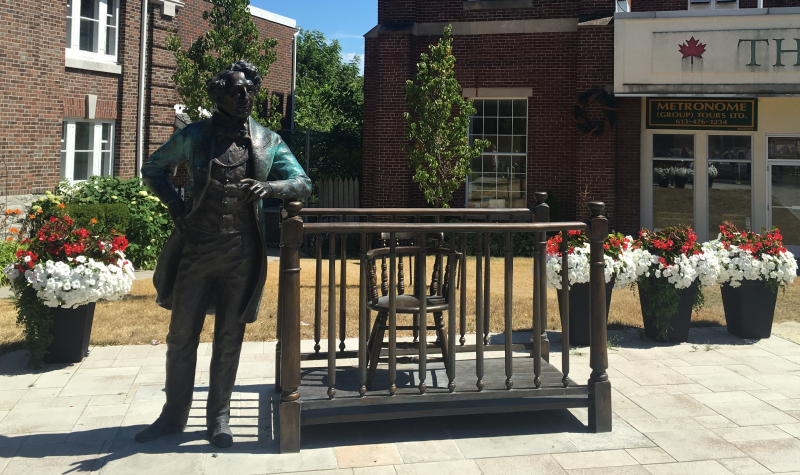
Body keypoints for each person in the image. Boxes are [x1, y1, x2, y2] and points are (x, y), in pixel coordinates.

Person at [135, 60, 311, 448]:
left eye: (250, 90)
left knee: (229, 338)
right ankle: (172, 415)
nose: (245, 96)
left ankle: (219, 418)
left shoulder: (267, 141)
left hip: (241, 254)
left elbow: (303, 183)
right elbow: (153, 169)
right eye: (236, 90)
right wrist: (177, 209)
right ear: (219, 95)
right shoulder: (196, 135)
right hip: (196, 251)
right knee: (181, 337)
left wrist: (272, 188)